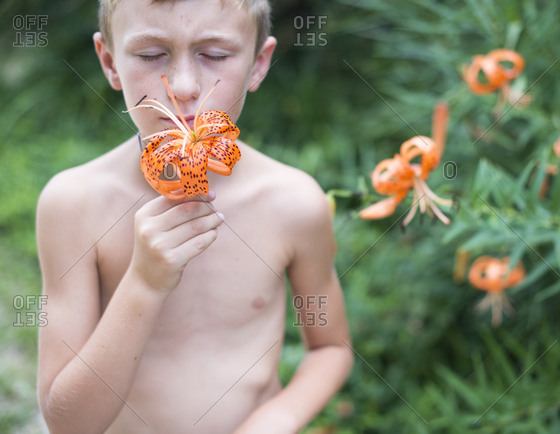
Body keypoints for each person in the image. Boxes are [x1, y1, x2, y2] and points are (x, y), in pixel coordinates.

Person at [35, 0, 353, 432]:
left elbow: (330, 347)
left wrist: (276, 419)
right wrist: (143, 284)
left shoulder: (294, 203)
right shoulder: (73, 206)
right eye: (151, 56)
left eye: (215, 55)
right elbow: (68, 423)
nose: (183, 87)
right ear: (110, 63)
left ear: (259, 65)